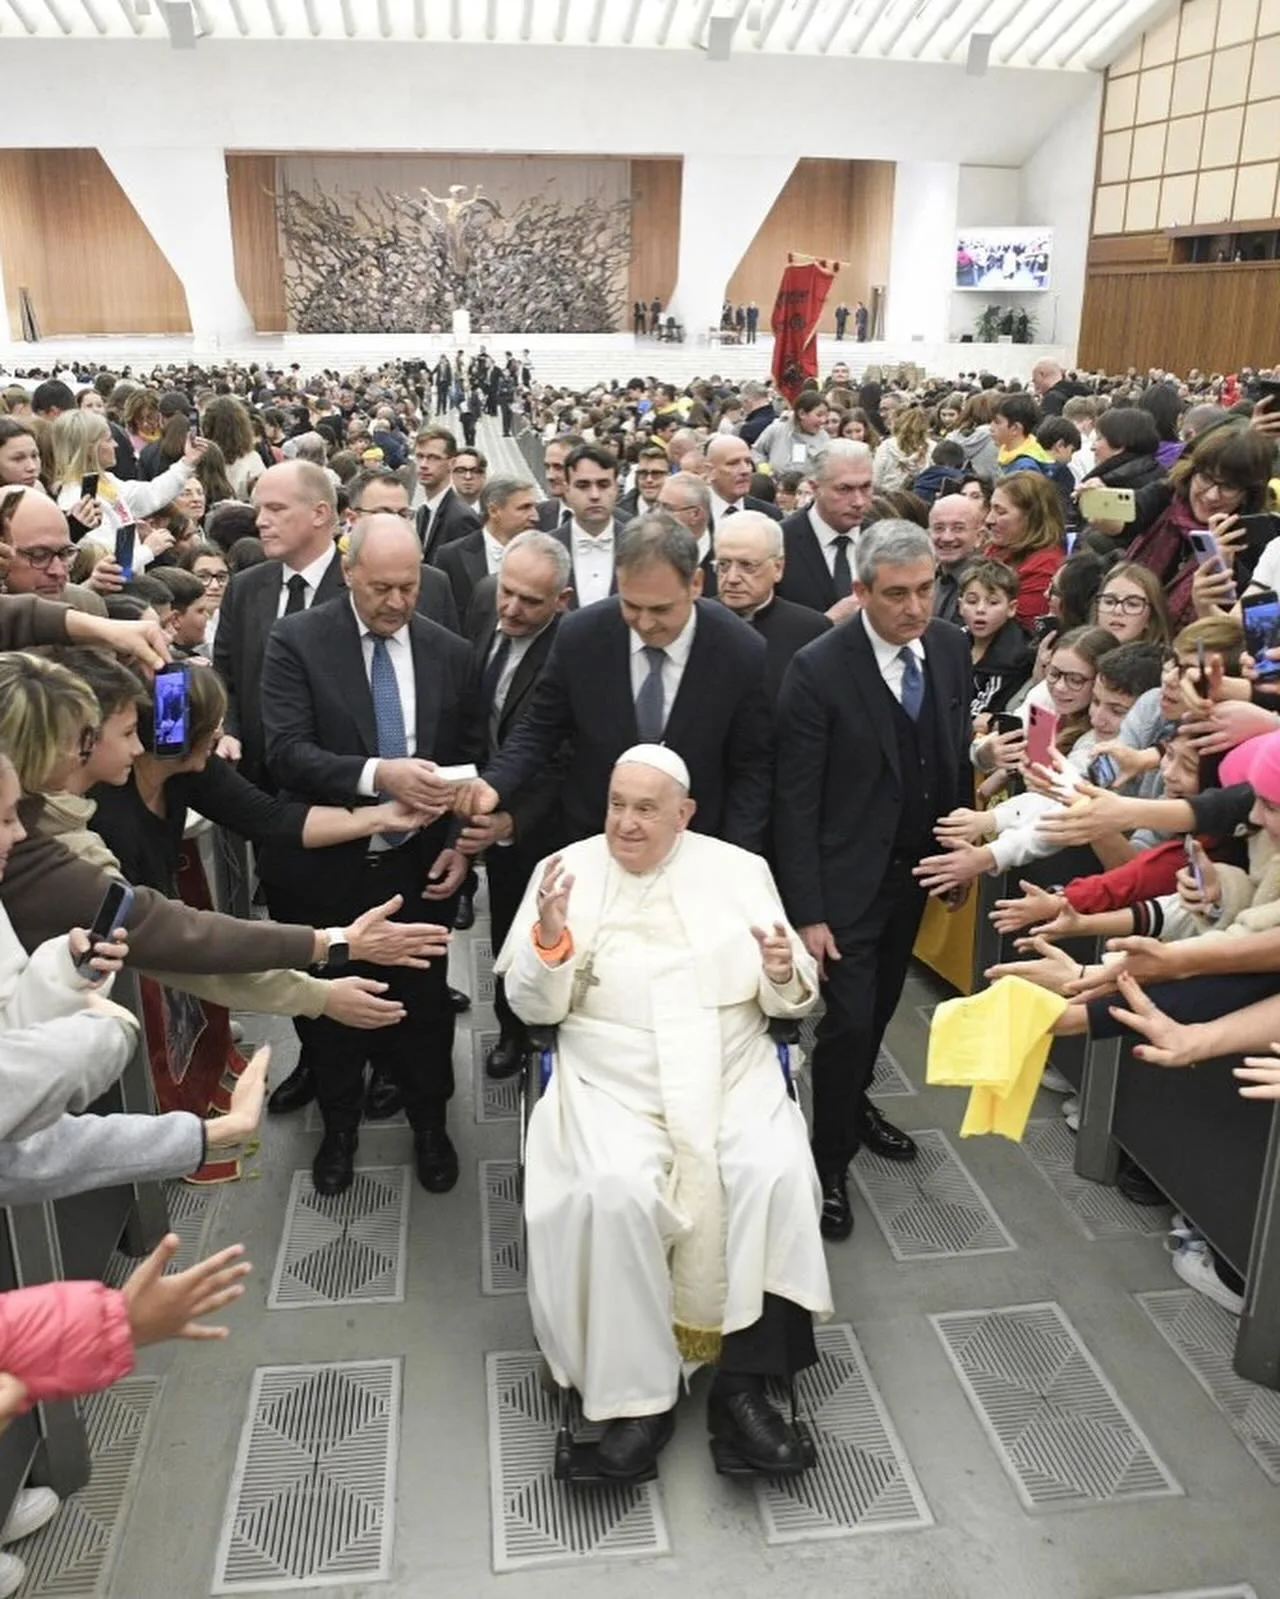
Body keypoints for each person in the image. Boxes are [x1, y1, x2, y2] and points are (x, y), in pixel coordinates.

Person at [496, 745, 832, 1479]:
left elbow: (791, 994)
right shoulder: (563, 870)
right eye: (617, 803)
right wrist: (550, 940)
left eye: (646, 808)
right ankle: (633, 1400)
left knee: (770, 1171)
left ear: (685, 814)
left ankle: (741, 1388)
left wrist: (783, 974)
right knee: (611, 1192)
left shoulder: (741, 870)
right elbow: (530, 1008)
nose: (625, 822)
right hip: (613, 1077)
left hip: (728, 1067)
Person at [259, 514, 483, 1199]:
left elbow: (472, 762)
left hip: (418, 868)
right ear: (348, 572)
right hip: (328, 871)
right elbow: (287, 753)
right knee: (331, 1010)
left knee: (423, 1010)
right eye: (380, 586)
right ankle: (340, 1129)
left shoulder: (450, 652)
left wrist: (457, 851)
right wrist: (379, 775)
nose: (395, 601)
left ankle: (430, 1123)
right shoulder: (297, 640)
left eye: (408, 586)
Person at [774, 521, 971, 1241]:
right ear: (860, 593)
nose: (916, 607)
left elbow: (954, 759)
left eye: (925, 590)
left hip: (916, 871)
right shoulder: (818, 668)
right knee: (848, 1019)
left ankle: (853, 1100)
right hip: (845, 881)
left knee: (882, 1006)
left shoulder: (949, 648)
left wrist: (958, 851)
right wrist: (809, 910)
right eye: (896, 594)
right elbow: (793, 800)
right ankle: (827, 1162)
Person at [463, 514, 773, 853]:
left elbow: (751, 768)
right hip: (592, 838)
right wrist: (494, 784)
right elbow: (541, 728)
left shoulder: (740, 650)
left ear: (696, 583)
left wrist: (734, 855)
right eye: (631, 605)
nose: (645, 623)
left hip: (694, 846)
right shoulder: (582, 636)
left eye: (661, 608)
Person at [460, 531, 573, 1079]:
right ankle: (509, 1027)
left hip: (546, 825)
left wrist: (510, 820)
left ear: (562, 601)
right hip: (482, 802)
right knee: (503, 926)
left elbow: (563, 754)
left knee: (548, 932)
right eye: (508, 591)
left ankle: (547, 1029)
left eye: (531, 601)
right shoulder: (487, 604)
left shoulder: (574, 648)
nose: (512, 608)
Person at [713, 510, 830, 703]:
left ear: (777, 568)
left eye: (747, 565)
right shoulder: (695, 619)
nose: (732, 578)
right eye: (723, 564)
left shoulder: (812, 630)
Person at [775, 440, 874, 620]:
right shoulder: (780, 542)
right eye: (844, 489)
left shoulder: (883, 541)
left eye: (866, 487)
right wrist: (827, 622)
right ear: (814, 487)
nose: (859, 502)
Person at [435, 473, 538, 621]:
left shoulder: (541, 557)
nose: (535, 516)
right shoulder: (450, 557)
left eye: (534, 507)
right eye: (525, 508)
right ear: (494, 511)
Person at [983, 471, 1065, 632]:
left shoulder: (1046, 566)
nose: (989, 520)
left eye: (1000, 512)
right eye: (991, 509)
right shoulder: (995, 550)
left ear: (1032, 516)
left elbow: (1021, 631)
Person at [556, 443, 624, 607]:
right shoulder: (546, 548)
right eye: (583, 485)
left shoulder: (642, 545)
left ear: (616, 488)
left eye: (603, 485)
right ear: (566, 490)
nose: (594, 495)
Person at [413, 426, 481, 560]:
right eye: (420, 456)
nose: (423, 464)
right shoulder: (423, 512)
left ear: (452, 463)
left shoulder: (462, 518)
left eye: (434, 458)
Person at [656, 471, 718, 597]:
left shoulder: (723, 562)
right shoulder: (647, 553)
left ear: (695, 514)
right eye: (658, 505)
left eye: (667, 508)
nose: (657, 514)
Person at [929, 492, 986, 623]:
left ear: (979, 537)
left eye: (958, 528)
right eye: (939, 528)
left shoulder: (991, 586)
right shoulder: (925, 580)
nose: (946, 537)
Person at [704, 435, 783, 526]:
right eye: (733, 463)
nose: (745, 470)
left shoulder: (769, 515)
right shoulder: (692, 513)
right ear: (710, 471)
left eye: (748, 462)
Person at [753, 392, 831, 476]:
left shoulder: (824, 438)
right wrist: (762, 466)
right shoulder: (776, 430)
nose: (823, 420)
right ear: (802, 414)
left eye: (826, 416)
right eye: (819, 415)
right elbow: (757, 451)